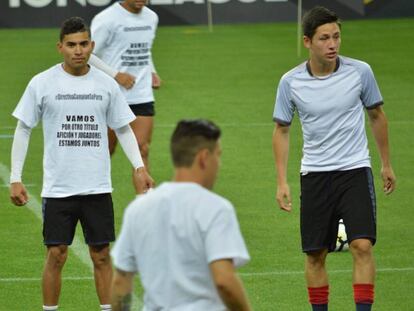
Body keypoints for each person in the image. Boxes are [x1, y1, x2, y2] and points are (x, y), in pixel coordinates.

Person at [9, 17, 154, 311]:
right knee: (56, 254)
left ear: (92, 46)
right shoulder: (42, 82)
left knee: (101, 255)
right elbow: (24, 127)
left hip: (97, 186)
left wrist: (139, 167)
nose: (78, 50)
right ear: (60, 47)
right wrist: (15, 176)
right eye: (72, 45)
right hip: (58, 188)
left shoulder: (106, 85)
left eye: (84, 44)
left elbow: (123, 128)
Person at [272, 6, 396, 311]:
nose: (332, 44)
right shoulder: (290, 82)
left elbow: (377, 116)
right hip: (315, 174)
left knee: (362, 246)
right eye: (324, 38)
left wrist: (386, 164)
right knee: (315, 254)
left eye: (337, 36)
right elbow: (282, 130)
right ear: (307, 42)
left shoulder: (360, 72)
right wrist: (282, 180)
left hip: (355, 169)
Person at [110, 119, 252, 311]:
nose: (219, 164)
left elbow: (121, 282)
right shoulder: (216, 209)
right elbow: (224, 281)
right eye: (218, 156)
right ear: (203, 158)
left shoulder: (138, 209)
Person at [90, 0, 161, 193]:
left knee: (142, 149)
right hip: (111, 96)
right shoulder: (106, 19)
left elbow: (144, 51)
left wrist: (152, 71)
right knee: (105, 152)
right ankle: (87, 198)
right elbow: (88, 54)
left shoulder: (151, 17)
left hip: (141, 94)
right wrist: (116, 75)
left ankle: (145, 209)